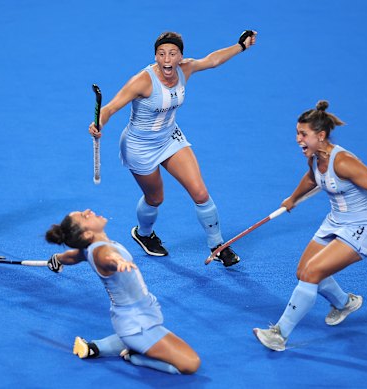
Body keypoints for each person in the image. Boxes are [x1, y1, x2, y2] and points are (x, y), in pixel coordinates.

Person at [88, 30, 257, 267]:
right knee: (155, 198)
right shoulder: (142, 81)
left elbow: (212, 60)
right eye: (161, 54)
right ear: (155, 56)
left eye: (172, 54)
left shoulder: (185, 69)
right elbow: (110, 108)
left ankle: (217, 245)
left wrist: (241, 46)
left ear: (180, 57)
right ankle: (143, 233)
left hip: (170, 139)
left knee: (200, 193)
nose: (167, 59)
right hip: (139, 147)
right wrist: (98, 123)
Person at [253, 100, 367, 352]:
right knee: (303, 271)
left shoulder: (344, 162)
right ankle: (344, 303)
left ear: (321, 135)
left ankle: (279, 334)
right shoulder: (314, 157)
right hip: (334, 223)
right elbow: (312, 178)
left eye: (303, 134)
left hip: (361, 229)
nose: (297, 139)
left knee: (312, 273)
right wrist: (293, 198)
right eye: (297, 133)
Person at [45, 209, 201, 374]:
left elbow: (71, 257)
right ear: (87, 234)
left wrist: (57, 259)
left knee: (151, 341)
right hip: (137, 324)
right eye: (84, 216)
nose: (88, 211)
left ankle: (100, 347)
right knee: (190, 364)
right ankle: (136, 357)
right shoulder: (100, 252)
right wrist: (118, 261)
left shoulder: (88, 248)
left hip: (132, 316)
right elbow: (108, 257)